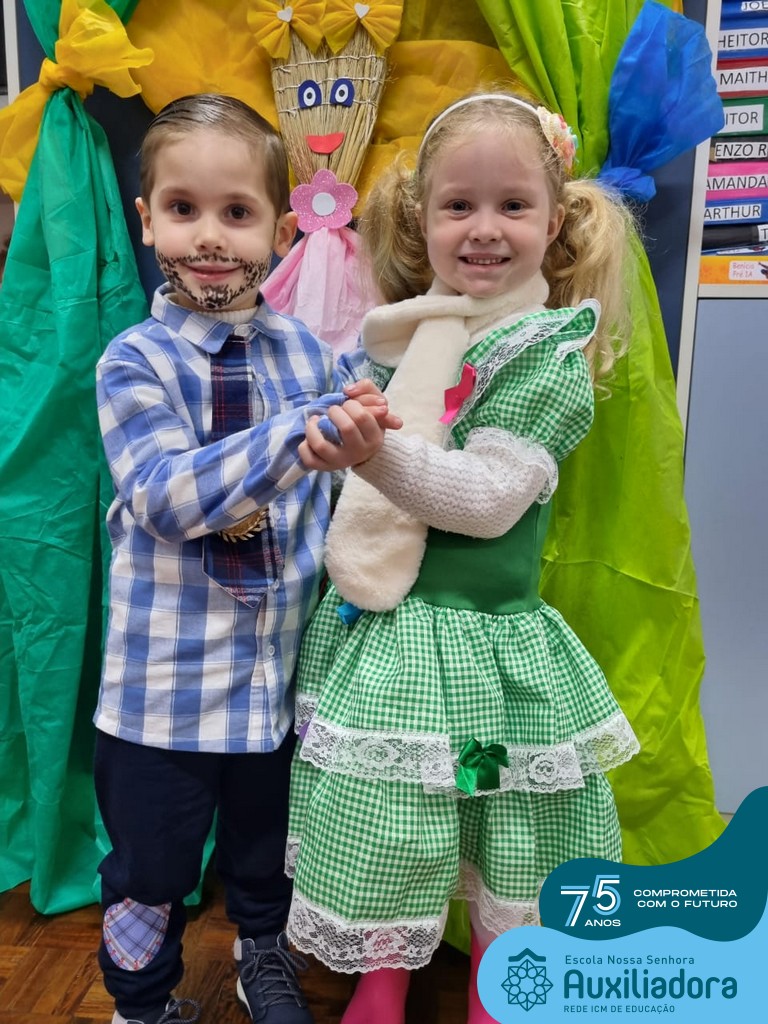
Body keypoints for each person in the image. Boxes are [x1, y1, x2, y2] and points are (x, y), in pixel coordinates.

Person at [285, 92, 642, 1024]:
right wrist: (329, 446)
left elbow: (485, 502)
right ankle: (382, 981)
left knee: (491, 809)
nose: (484, 229)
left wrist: (372, 453)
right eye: (459, 206)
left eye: (512, 205)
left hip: (481, 661)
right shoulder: (402, 339)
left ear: (553, 223)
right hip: (393, 649)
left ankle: (493, 978)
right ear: (423, 219)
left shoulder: (545, 351)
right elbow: (358, 487)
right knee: (392, 820)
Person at [93, 93, 399, 1024]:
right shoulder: (134, 361)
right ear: (148, 221)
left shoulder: (312, 355)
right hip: (162, 692)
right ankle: (141, 1004)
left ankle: (263, 958)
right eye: (183, 208)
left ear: (281, 229)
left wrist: (367, 430)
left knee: (269, 850)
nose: (210, 237)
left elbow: (357, 472)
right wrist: (300, 433)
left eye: (237, 212)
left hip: (276, 681)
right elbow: (165, 496)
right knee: (150, 867)